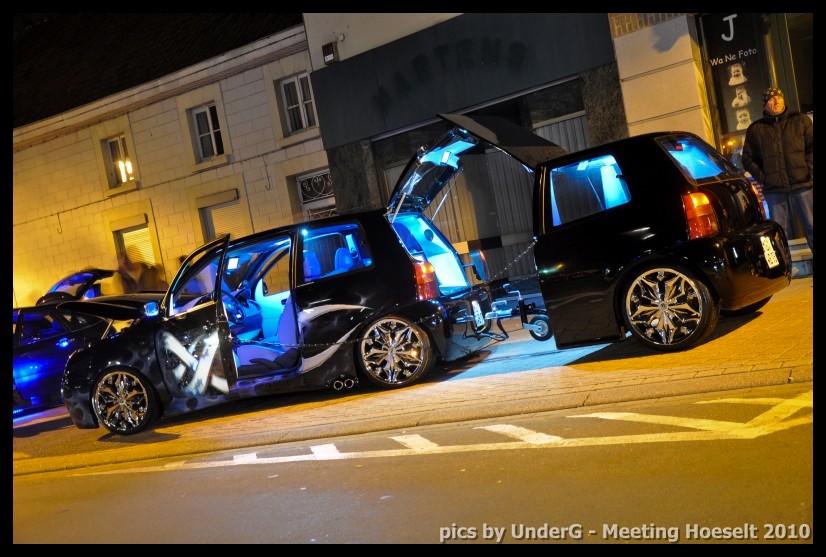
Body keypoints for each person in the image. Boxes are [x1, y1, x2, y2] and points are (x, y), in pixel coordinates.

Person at [742, 86, 813, 254]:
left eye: (778, 98)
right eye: (770, 99)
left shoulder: (801, 121)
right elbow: (747, 159)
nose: (775, 101)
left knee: (811, 224)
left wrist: (809, 171)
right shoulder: (755, 129)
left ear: (783, 99)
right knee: (777, 233)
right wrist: (764, 178)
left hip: (802, 185)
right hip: (774, 190)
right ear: (765, 104)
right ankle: (784, 266)